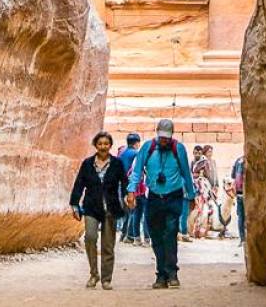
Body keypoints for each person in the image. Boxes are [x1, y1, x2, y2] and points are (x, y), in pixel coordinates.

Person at [125, 119, 197, 289]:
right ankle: (161, 274)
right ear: (157, 133)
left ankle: (172, 273)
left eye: (167, 137)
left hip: (174, 196)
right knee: (156, 236)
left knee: (170, 233)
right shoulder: (147, 148)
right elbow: (137, 172)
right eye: (162, 137)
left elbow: (186, 173)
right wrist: (131, 191)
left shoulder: (178, 148)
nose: (164, 140)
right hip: (154, 198)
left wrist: (192, 196)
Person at [69, 131, 129, 290]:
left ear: (110, 145)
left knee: (108, 245)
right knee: (90, 237)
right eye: (100, 144)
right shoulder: (87, 163)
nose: (103, 147)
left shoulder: (117, 164)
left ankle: (106, 279)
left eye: (106, 144)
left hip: (111, 208)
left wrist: (127, 197)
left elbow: (124, 182)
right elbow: (79, 184)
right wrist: (75, 204)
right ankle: (94, 274)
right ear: (96, 145)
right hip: (91, 207)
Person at [118, 133, 141, 242]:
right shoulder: (136, 153)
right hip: (130, 184)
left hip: (120, 184)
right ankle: (129, 235)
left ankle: (124, 234)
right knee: (133, 209)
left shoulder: (122, 153)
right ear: (137, 143)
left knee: (126, 210)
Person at [231, 154, 246, 244]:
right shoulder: (249, 160)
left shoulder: (238, 160)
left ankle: (242, 239)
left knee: (241, 216)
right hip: (247, 193)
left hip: (239, 193)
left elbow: (233, 175)